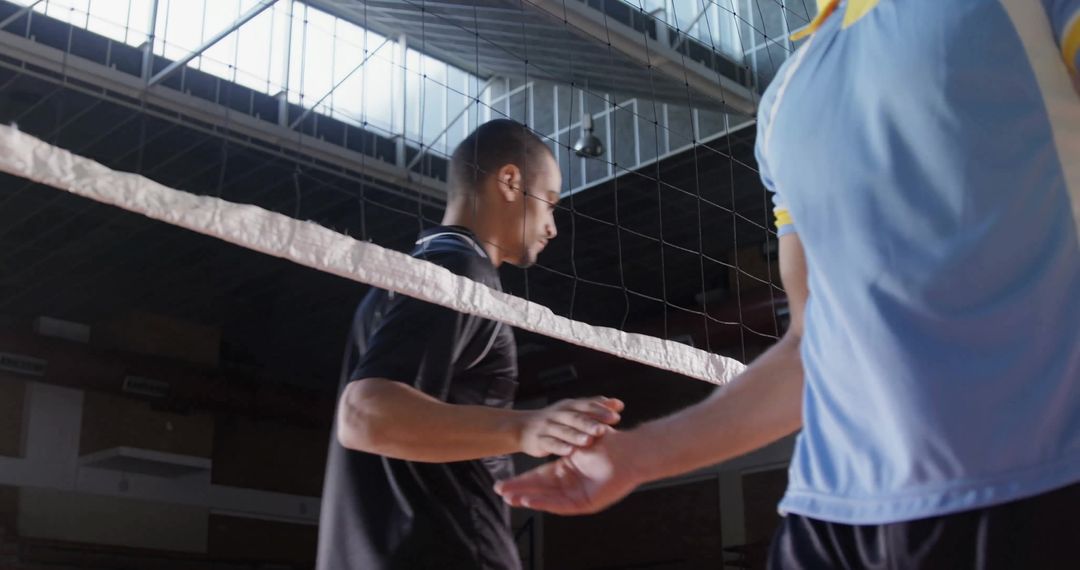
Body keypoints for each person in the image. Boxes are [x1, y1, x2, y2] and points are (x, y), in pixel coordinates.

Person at [495, 1, 1080, 567]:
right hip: (828, 520)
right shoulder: (784, 100)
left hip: (1036, 491)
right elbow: (809, 345)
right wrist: (637, 457)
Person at [316, 119, 624, 570]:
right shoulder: (462, 274)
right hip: (448, 551)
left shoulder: (400, 279)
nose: (552, 227)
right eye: (551, 203)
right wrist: (524, 429)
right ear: (510, 181)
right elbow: (363, 415)